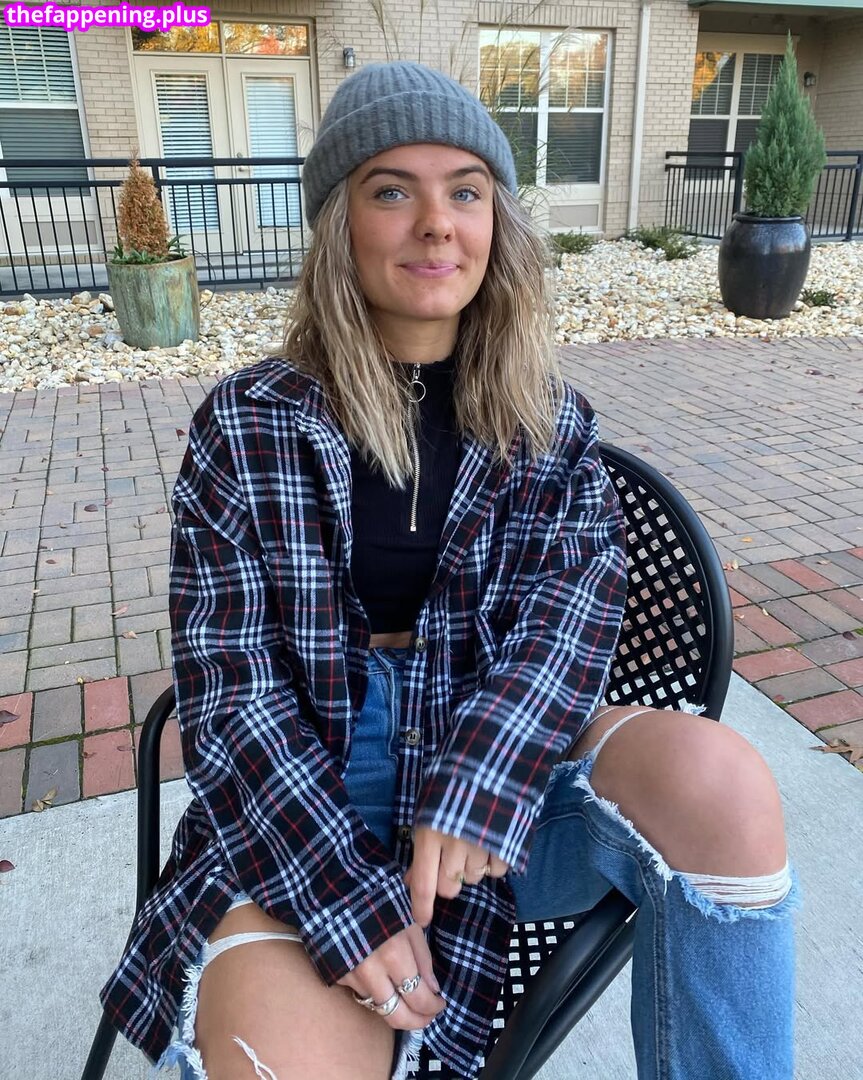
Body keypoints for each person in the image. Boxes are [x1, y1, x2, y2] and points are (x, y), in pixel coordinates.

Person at [100, 61, 798, 1080]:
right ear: (337, 224)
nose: (436, 224)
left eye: (464, 191)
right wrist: (341, 899)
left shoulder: (549, 424)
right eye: (391, 191)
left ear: (494, 222)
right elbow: (232, 689)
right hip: (304, 788)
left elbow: (570, 622)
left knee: (721, 781)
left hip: (506, 786)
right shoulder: (246, 427)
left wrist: (480, 776)